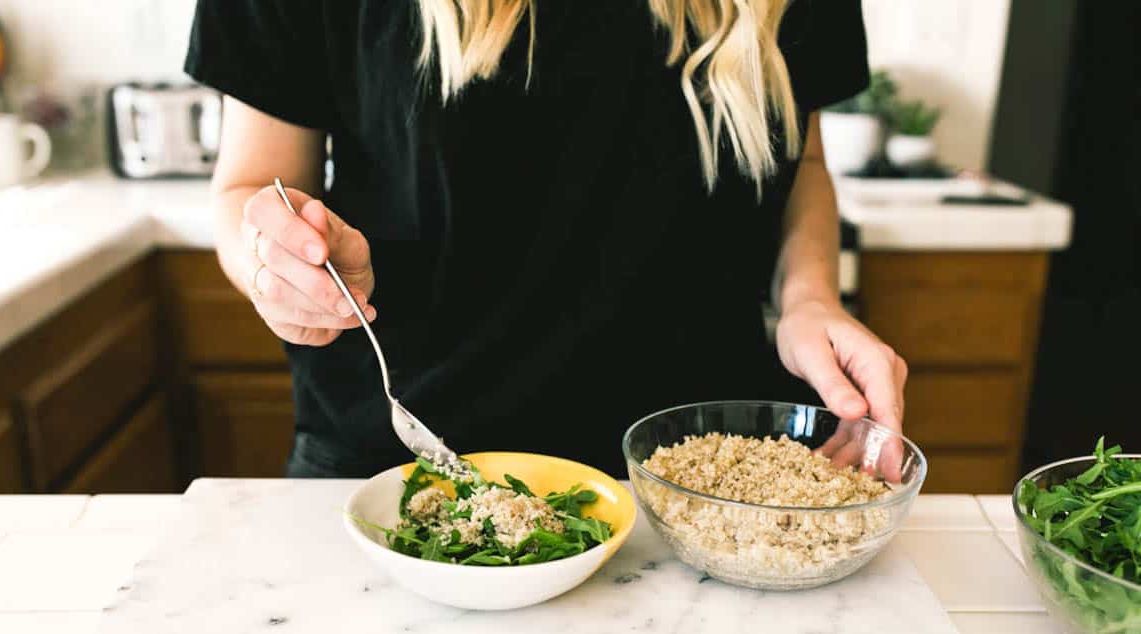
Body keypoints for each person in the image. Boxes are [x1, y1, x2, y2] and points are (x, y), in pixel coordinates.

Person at [186, 0, 908, 478]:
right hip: (396, 466)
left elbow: (799, 161)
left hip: (698, 475)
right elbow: (251, 185)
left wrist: (810, 297)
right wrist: (277, 262)